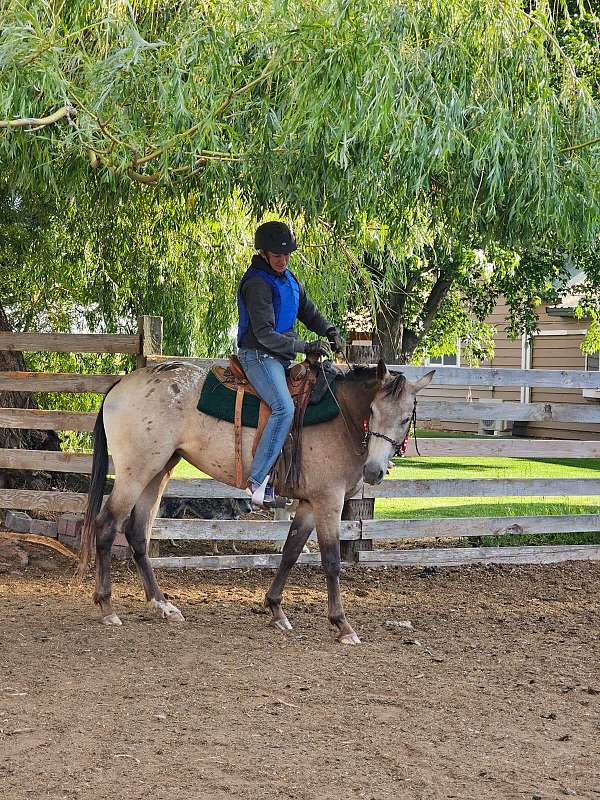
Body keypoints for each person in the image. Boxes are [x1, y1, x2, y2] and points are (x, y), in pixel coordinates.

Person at [237, 221, 345, 509]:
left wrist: (329, 330)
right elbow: (263, 334)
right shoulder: (257, 283)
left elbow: (308, 311)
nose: (282, 259)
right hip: (259, 356)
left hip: (279, 356)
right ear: (263, 253)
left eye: (286, 255)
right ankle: (257, 482)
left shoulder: (288, 279)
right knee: (284, 408)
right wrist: (304, 347)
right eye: (276, 255)